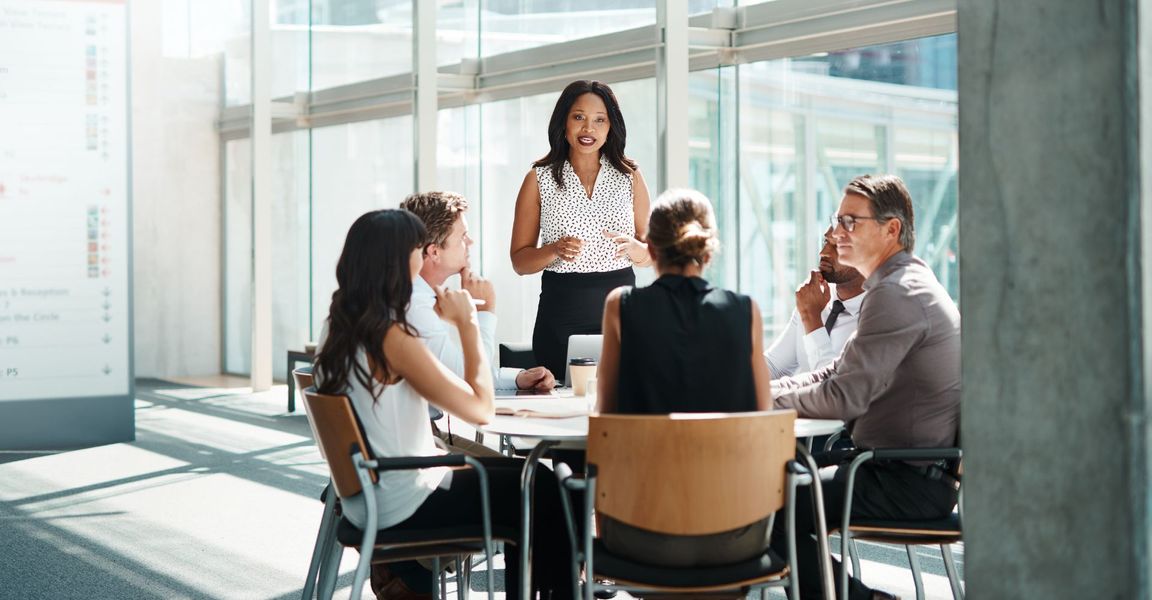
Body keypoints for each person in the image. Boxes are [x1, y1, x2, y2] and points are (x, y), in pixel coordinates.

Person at [313, 209, 573, 600]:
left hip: (367, 495)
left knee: (531, 484)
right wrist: (470, 322)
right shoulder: (391, 335)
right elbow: (480, 410)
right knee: (543, 487)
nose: (422, 260)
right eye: (418, 250)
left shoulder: (340, 325)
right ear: (401, 260)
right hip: (407, 498)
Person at [770, 175, 961, 600]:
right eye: (838, 221)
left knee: (765, 504)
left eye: (850, 222)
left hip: (904, 479)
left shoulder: (897, 293)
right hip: (897, 468)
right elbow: (832, 373)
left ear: (891, 229)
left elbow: (844, 398)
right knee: (772, 485)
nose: (837, 233)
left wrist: (762, 401)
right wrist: (761, 394)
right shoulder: (898, 285)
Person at [595, 189, 773, 566]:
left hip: (638, 536)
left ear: (651, 250)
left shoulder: (620, 306)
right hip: (737, 537)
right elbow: (763, 421)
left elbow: (605, 423)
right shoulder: (746, 311)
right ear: (708, 252)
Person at [511, 79, 652, 380]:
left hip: (621, 309)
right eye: (579, 117)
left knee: (621, 399)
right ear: (563, 122)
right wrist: (553, 250)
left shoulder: (630, 176)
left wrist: (637, 249)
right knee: (561, 398)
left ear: (611, 126)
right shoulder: (539, 179)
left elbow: (652, 252)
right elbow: (520, 262)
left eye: (600, 120)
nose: (589, 129)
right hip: (560, 313)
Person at [401, 191, 556, 394]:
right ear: (434, 252)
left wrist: (518, 378)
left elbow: (462, 372)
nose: (470, 242)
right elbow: (470, 380)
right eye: (462, 236)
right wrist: (484, 311)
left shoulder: (420, 296)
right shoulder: (417, 307)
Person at [765, 227, 866, 377]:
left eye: (838, 245)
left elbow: (836, 392)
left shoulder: (877, 316)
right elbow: (774, 366)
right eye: (826, 241)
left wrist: (811, 317)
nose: (823, 252)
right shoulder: (815, 295)